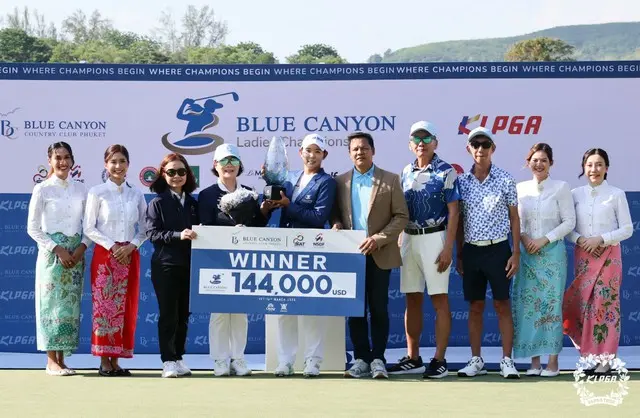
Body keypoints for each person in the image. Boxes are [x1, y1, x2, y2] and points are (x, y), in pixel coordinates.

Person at [331, 131, 409, 379]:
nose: (359, 152)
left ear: (372, 151)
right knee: (354, 310)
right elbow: (335, 214)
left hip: (380, 253)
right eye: (355, 149)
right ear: (349, 153)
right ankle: (361, 359)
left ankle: (378, 359)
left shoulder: (391, 179)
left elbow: (401, 216)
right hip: (351, 256)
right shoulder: (340, 181)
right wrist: (335, 225)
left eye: (364, 148)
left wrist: (379, 239)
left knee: (379, 309)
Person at [387, 121, 459, 379]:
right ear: (410, 145)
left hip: (435, 238)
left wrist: (448, 247)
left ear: (435, 143)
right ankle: (413, 357)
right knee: (412, 297)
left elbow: (453, 211)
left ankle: (439, 360)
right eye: (416, 139)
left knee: (439, 299)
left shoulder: (446, 171)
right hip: (409, 238)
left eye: (426, 138)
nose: (421, 143)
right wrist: (400, 237)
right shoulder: (405, 171)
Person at [265, 134, 337, 378]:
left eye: (318, 151)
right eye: (308, 150)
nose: (312, 155)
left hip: (312, 251)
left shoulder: (327, 182)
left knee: (312, 309)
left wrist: (287, 205)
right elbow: (275, 199)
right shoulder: (290, 178)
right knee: (285, 308)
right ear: (300, 152)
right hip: (286, 250)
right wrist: (269, 184)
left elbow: (318, 218)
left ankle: (313, 361)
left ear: (324, 155)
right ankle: (285, 360)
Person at [198, 143, 273, 377]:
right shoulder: (206, 195)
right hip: (217, 261)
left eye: (233, 160)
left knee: (240, 313)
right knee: (219, 313)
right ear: (215, 165)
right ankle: (220, 360)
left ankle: (238, 358)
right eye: (224, 161)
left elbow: (258, 227)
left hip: (244, 261)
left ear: (239, 165)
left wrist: (263, 212)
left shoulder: (250, 192)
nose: (228, 165)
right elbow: (205, 228)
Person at [455, 127, 521, 379]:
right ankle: (476, 360)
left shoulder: (505, 179)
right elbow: (458, 221)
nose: (480, 149)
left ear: (493, 148)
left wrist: (515, 253)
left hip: (499, 250)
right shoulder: (461, 181)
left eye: (485, 145)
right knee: (476, 306)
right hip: (472, 251)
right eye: (476, 144)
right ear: (469, 149)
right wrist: (459, 253)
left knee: (503, 305)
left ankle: (506, 360)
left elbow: (514, 218)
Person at [563, 148, 632, 374]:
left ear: (607, 168)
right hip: (584, 256)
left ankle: (606, 359)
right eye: (590, 165)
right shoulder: (574, 194)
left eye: (599, 164)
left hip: (609, 257)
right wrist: (582, 240)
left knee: (606, 306)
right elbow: (568, 228)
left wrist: (601, 240)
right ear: (584, 168)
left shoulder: (616, 194)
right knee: (584, 306)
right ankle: (589, 357)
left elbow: (627, 229)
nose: (595, 169)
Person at [27, 142, 91, 376]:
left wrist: (81, 249)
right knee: (50, 306)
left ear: (73, 161)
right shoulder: (42, 189)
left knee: (69, 309)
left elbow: (89, 225)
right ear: (50, 161)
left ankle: (62, 360)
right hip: (52, 257)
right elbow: (32, 228)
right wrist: (57, 249)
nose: (62, 162)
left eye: (66, 157)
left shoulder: (82, 189)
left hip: (75, 257)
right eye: (58, 158)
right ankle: (51, 361)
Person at [83, 144, 148, 377]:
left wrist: (131, 246)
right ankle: (104, 361)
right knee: (104, 308)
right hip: (105, 256)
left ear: (128, 165)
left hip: (130, 255)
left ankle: (117, 359)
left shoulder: (136, 193)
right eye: (113, 162)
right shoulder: (97, 192)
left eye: (122, 161)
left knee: (126, 307)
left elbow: (146, 227)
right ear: (106, 164)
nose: (117, 166)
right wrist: (113, 246)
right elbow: (88, 227)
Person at [512, 143, 575, 377]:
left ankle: (552, 362)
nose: (539, 164)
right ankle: (535, 362)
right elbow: (517, 221)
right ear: (528, 162)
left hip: (552, 254)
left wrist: (544, 240)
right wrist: (527, 239)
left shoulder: (561, 188)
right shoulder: (520, 189)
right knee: (529, 307)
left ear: (551, 164)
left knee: (551, 305)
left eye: (544, 160)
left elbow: (569, 222)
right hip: (527, 254)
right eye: (535, 160)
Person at [145, 153, 199, 378]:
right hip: (166, 265)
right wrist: (179, 235)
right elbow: (152, 233)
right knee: (168, 314)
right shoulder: (157, 203)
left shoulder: (194, 203)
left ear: (188, 175)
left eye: (181, 172)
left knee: (184, 314)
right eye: (171, 172)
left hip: (190, 265)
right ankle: (167, 360)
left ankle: (178, 357)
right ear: (163, 175)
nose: (177, 176)